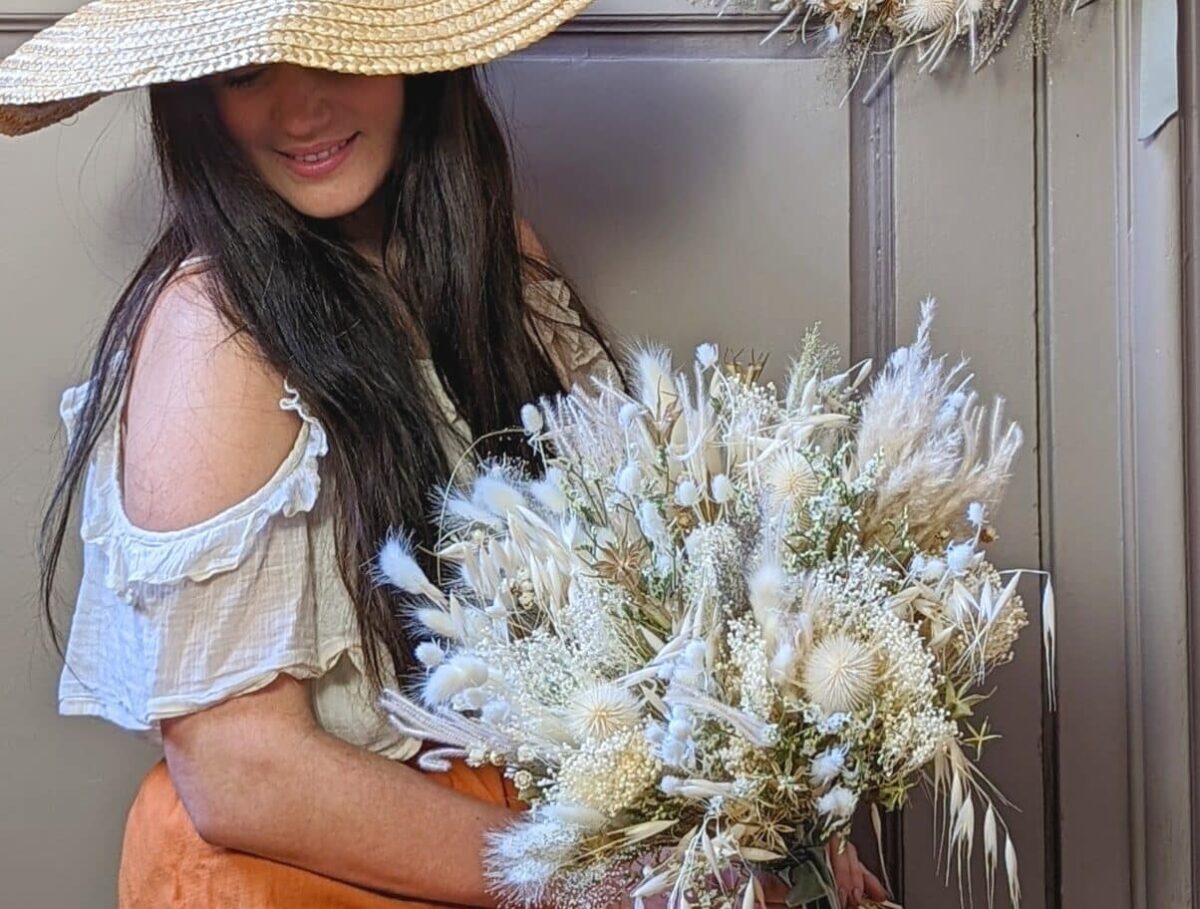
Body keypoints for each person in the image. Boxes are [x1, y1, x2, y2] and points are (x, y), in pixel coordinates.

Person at [0, 2, 887, 906]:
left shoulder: (496, 260)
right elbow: (242, 773)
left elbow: (640, 580)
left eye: (336, 55)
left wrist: (778, 819)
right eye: (245, 74)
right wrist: (618, 882)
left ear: (416, 59)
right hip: (319, 874)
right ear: (194, 103)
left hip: (518, 833)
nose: (300, 111)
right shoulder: (214, 336)